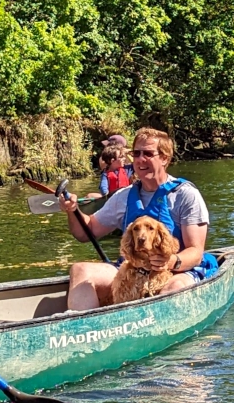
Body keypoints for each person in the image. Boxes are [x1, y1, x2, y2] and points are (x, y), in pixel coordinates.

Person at [59, 127, 216, 310]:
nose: (140, 159)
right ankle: (85, 330)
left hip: (178, 269)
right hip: (133, 268)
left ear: (165, 158)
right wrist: (73, 210)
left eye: (148, 154)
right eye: (136, 153)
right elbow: (85, 232)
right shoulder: (123, 196)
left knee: (173, 288)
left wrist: (172, 261)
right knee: (80, 270)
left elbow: (196, 252)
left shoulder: (186, 195)